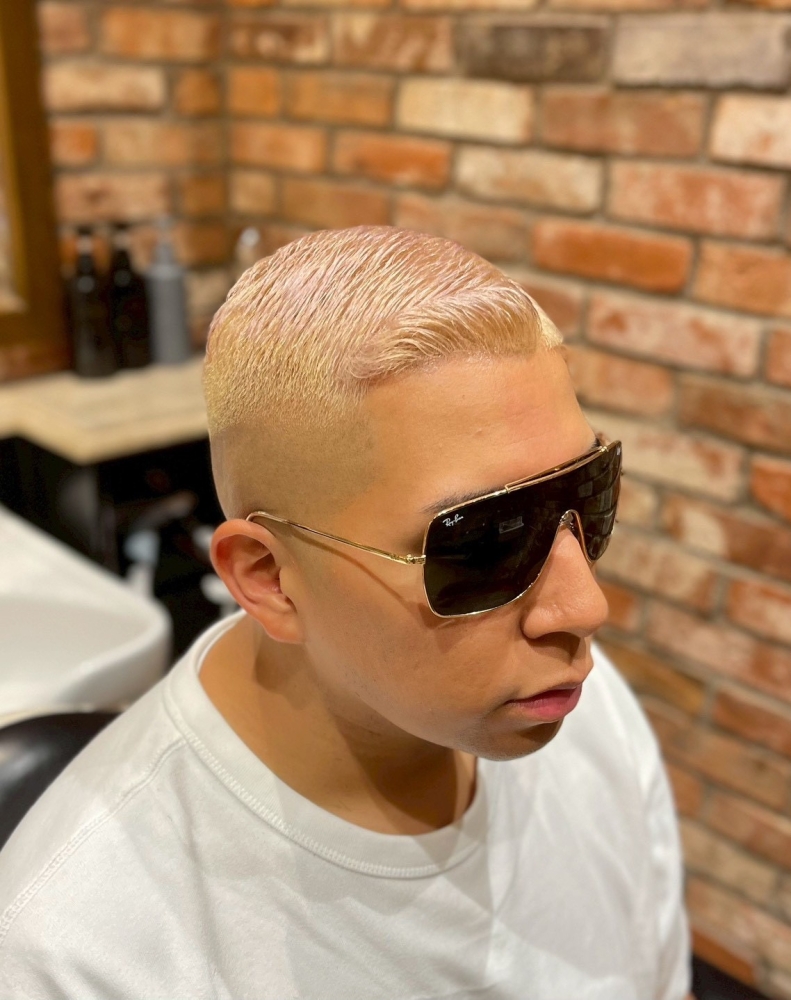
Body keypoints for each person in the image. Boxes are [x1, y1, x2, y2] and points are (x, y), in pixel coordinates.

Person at [0, 227, 693, 999]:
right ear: (270, 579)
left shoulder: (592, 712)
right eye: (485, 541)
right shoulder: (75, 958)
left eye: (589, 495)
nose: (583, 607)